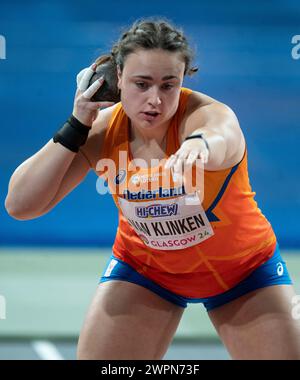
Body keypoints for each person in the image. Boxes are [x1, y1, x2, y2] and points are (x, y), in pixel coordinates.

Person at [5, 18, 300, 360]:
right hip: (146, 272)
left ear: (183, 81)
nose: (154, 100)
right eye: (141, 84)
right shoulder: (101, 132)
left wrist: (198, 147)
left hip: (244, 271)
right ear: (116, 80)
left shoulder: (206, 116)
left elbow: (223, 136)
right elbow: (21, 205)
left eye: (167, 85)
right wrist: (76, 124)